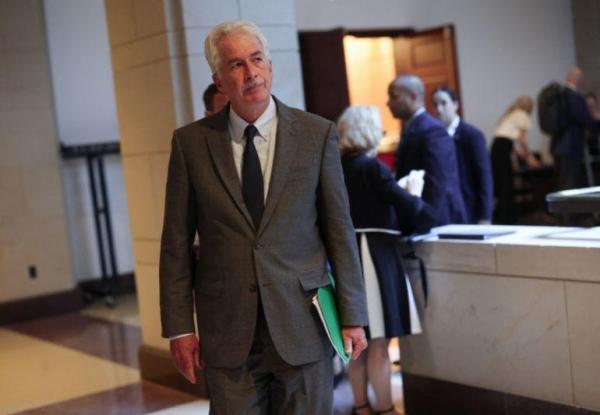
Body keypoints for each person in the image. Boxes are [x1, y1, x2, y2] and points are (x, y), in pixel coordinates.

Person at [159, 20, 368, 414]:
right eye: (236, 64)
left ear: (270, 66)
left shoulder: (316, 134)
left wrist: (353, 315)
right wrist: (180, 328)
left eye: (257, 60)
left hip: (303, 323)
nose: (251, 72)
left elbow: (339, 230)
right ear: (219, 81)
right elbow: (175, 243)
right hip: (227, 331)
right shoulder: (191, 144)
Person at [338, 106, 432, 415]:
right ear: (367, 131)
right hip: (375, 255)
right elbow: (409, 207)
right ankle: (386, 409)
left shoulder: (336, 167)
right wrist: (413, 192)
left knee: (356, 346)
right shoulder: (371, 167)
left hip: (347, 256)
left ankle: (361, 407)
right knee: (378, 342)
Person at [389, 75, 467, 226]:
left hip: (436, 220)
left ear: (413, 97)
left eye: (394, 96)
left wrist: (425, 220)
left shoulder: (432, 130)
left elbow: (438, 181)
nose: (388, 103)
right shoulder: (412, 126)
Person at [432, 87, 494, 224]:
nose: (439, 109)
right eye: (435, 105)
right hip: (447, 211)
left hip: (470, 208)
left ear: (455, 105)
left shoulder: (472, 135)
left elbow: (484, 176)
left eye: (443, 103)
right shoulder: (434, 136)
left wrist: (485, 215)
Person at [490, 96, 538, 224]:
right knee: (506, 184)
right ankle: (507, 218)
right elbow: (521, 140)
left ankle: (502, 217)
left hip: (496, 149)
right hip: (503, 150)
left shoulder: (511, 114)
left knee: (502, 184)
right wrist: (530, 158)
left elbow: (513, 145)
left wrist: (525, 157)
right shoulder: (522, 115)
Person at [553, 67, 596, 190]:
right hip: (571, 145)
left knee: (564, 181)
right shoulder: (573, 96)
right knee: (570, 183)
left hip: (559, 144)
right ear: (576, 79)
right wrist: (595, 126)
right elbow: (583, 117)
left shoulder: (560, 95)